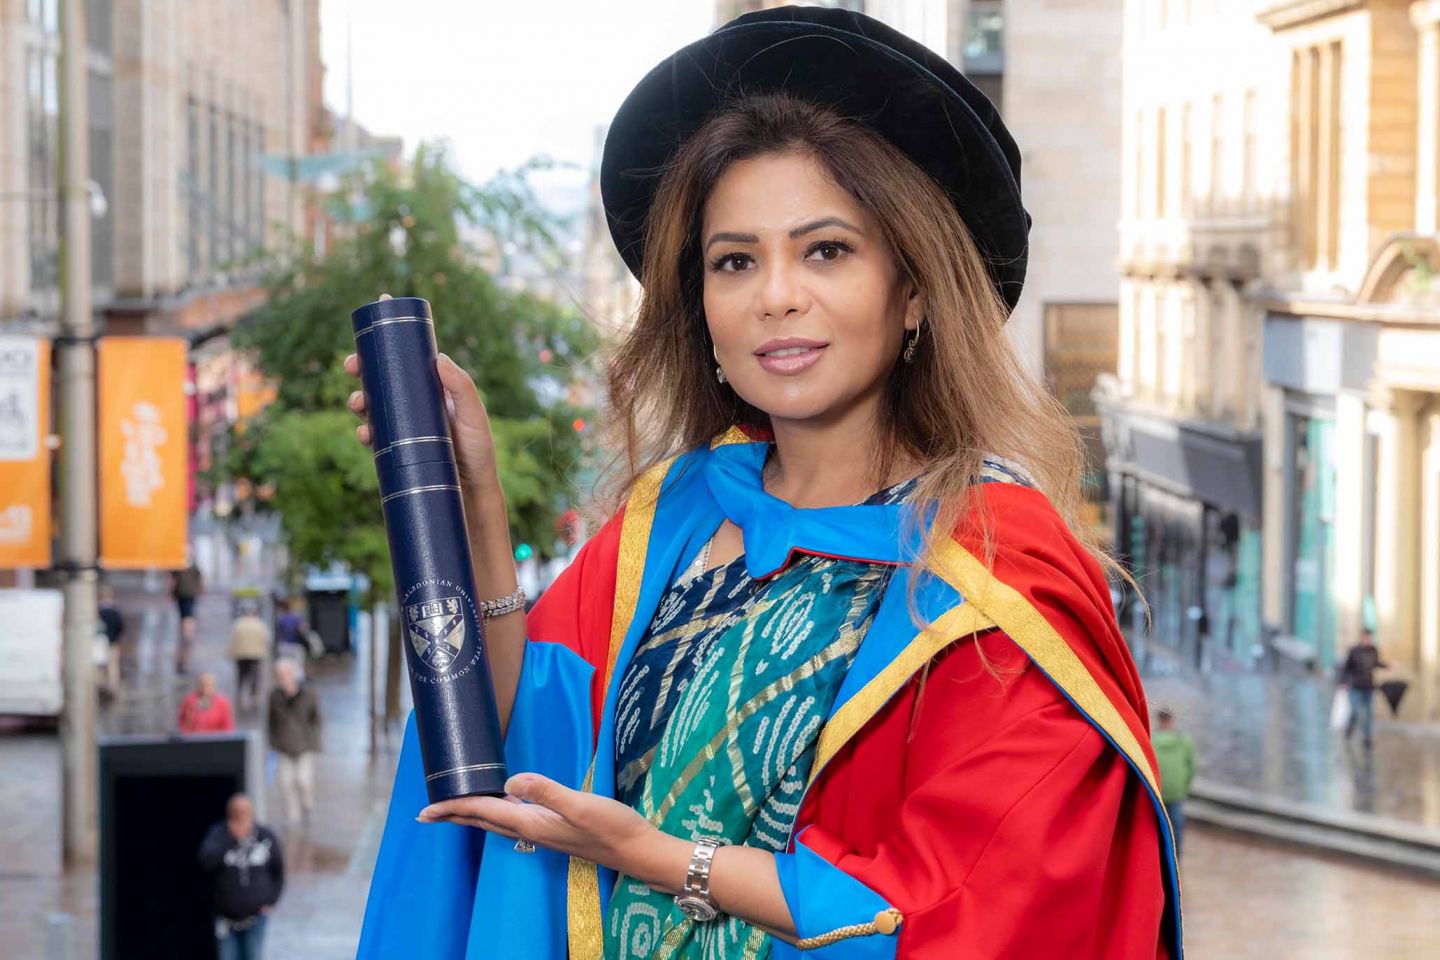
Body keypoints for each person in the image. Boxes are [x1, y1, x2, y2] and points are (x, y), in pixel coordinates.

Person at [354, 8, 1179, 959]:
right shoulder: (677, 514)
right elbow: (521, 735)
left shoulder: (995, 575)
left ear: (912, 292)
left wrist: (660, 857)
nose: (776, 294)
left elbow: (981, 901)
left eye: (825, 250)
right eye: (735, 260)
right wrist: (477, 501)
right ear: (701, 307)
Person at [199, 793, 284, 960]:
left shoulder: (265, 837)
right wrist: (231, 839)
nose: (242, 817)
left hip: (256, 916)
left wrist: (272, 900)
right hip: (226, 918)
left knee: (254, 955)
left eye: (245, 813)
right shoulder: (219, 835)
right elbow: (206, 861)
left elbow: (278, 870)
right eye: (237, 813)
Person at [267, 659, 322, 824]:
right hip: (283, 747)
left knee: (303, 780)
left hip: (305, 746)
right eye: (279, 675)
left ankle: (307, 805)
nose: (283, 678)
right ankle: (293, 817)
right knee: (285, 783)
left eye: (286, 674)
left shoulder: (308, 694)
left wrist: (314, 740)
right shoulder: (274, 696)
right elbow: (270, 722)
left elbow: (317, 720)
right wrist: (273, 742)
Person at [1152, 708, 1195, 857]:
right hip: (1177, 794)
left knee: (1156, 831)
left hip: (1157, 795)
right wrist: (1183, 788)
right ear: (1172, 721)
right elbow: (1191, 768)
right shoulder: (1184, 742)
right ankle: (1175, 867)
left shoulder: (1151, 741)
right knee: (1176, 832)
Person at [1339, 629, 1389, 748]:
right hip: (1356, 687)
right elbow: (1346, 667)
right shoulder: (1354, 651)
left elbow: (1376, 663)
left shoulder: (1373, 650)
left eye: (1369, 638)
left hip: (1369, 687)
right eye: (1366, 638)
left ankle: (1367, 737)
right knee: (1355, 711)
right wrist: (1344, 682)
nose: (1368, 640)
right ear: (1362, 638)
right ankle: (1350, 726)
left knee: (1369, 713)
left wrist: (1387, 666)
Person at [228, 608, 271, 712]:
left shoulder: (238, 624)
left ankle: (240, 692)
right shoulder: (259, 624)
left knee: (241, 674)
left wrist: (231, 652)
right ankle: (253, 695)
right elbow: (266, 638)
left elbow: (233, 639)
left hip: (241, 653)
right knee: (255, 676)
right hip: (256, 654)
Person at [172, 561, 203, 674]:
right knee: (187, 615)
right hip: (187, 594)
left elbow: (173, 581)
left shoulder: (182, 567)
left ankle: (187, 630)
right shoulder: (191, 567)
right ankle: (187, 630)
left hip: (184, 595)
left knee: (186, 615)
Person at [98, 583, 125, 692]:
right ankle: (113, 685)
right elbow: (120, 626)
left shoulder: (98, 612)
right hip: (114, 642)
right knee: (113, 665)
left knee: (101, 665)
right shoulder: (115, 612)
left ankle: (102, 684)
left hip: (101, 643)